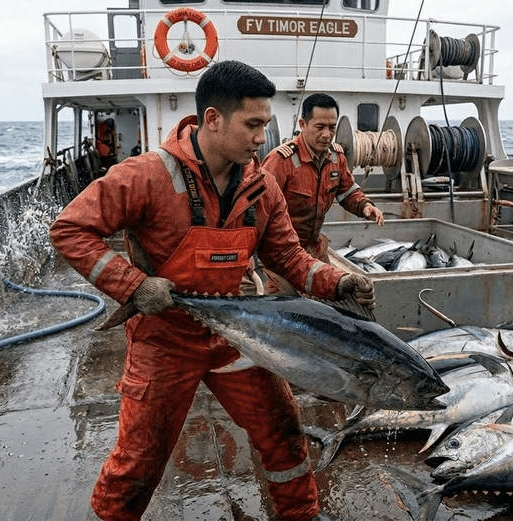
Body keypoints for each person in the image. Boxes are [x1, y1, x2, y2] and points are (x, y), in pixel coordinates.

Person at [49, 60, 373, 521]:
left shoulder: (262, 187)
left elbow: (289, 259)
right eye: (254, 124)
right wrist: (134, 286)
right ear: (214, 119)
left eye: (266, 124)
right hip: (164, 341)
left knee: (283, 433)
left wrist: (338, 280)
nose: (263, 137)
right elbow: (70, 229)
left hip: (234, 338)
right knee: (137, 463)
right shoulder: (146, 176)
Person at [261, 93, 384, 263]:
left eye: (332, 127)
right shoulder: (280, 161)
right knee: (284, 290)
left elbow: (347, 191)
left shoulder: (336, 157)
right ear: (303, 125)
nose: (327, 134)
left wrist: (364, 206)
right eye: (320, 127)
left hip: (314, 248)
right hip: (281, 254)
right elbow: (258, 211)